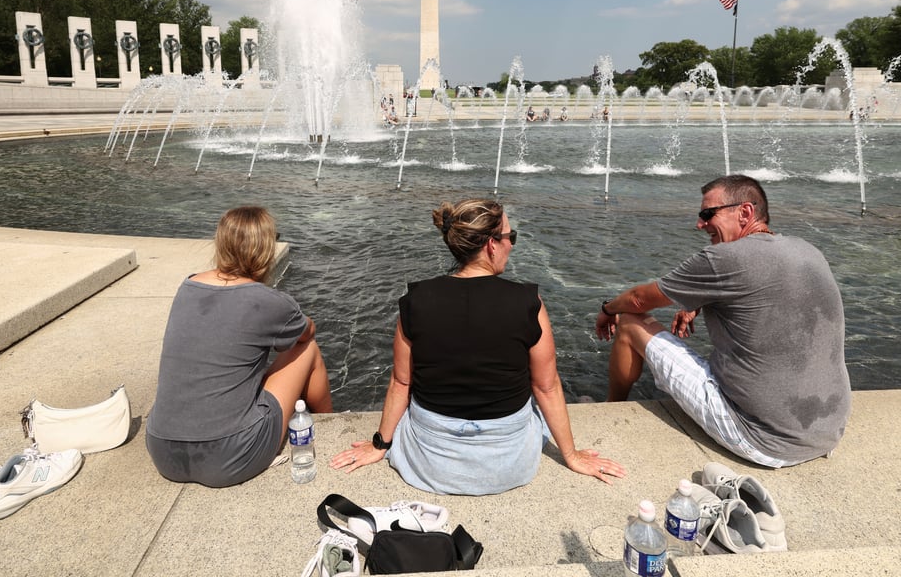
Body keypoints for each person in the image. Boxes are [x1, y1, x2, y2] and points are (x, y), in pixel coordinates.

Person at [332, 199, 624, 494]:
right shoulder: (528, 303)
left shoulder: (416, 300)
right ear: (491, 245)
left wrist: (380, 444)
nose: (512, 245)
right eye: (511, 237)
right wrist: (571, 456)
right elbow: (546, 388)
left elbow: (400, 382)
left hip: (430, 461)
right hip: (508, 462)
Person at [596, 175, 850, 468]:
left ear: (744, 213)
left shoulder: (722, 258)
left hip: (762, 438)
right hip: (828, 430)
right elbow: (764, 290)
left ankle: (608, 411)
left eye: (707, 214)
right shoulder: (807, 250)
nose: (699, 224)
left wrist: (607, 308)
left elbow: (639, 299)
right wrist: (700, 300)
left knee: (629, 322)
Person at [147, 206, 333, 487]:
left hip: (162, 451)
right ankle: (331, 426)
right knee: (308, 350)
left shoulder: (188, 286)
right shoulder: (270, 301)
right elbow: (306, 334)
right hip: (229, 455)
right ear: (265, 250)